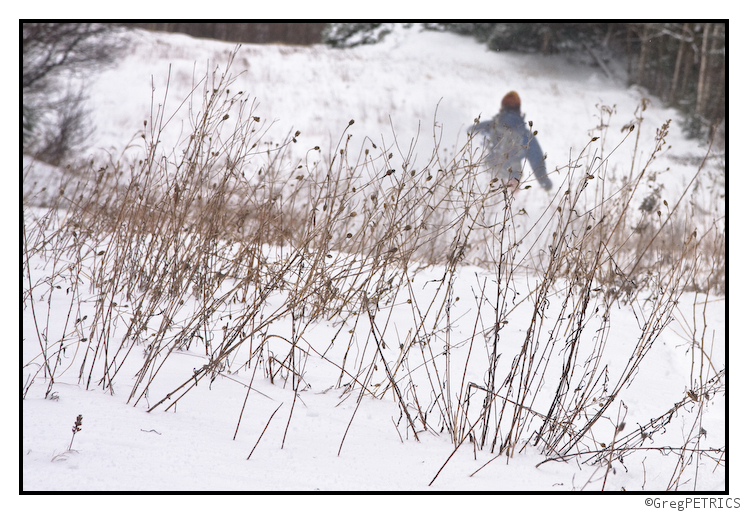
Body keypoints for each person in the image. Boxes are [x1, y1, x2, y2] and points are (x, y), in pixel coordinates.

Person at [468, 91, 552, 191]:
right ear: (519, 110)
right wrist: (545, 183)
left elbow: (465, 141)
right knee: (507, 205)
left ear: (502, 108)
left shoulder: (487, 127)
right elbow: (537, 160)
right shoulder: (525, 135)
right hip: (511, 182)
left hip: (485, 176)